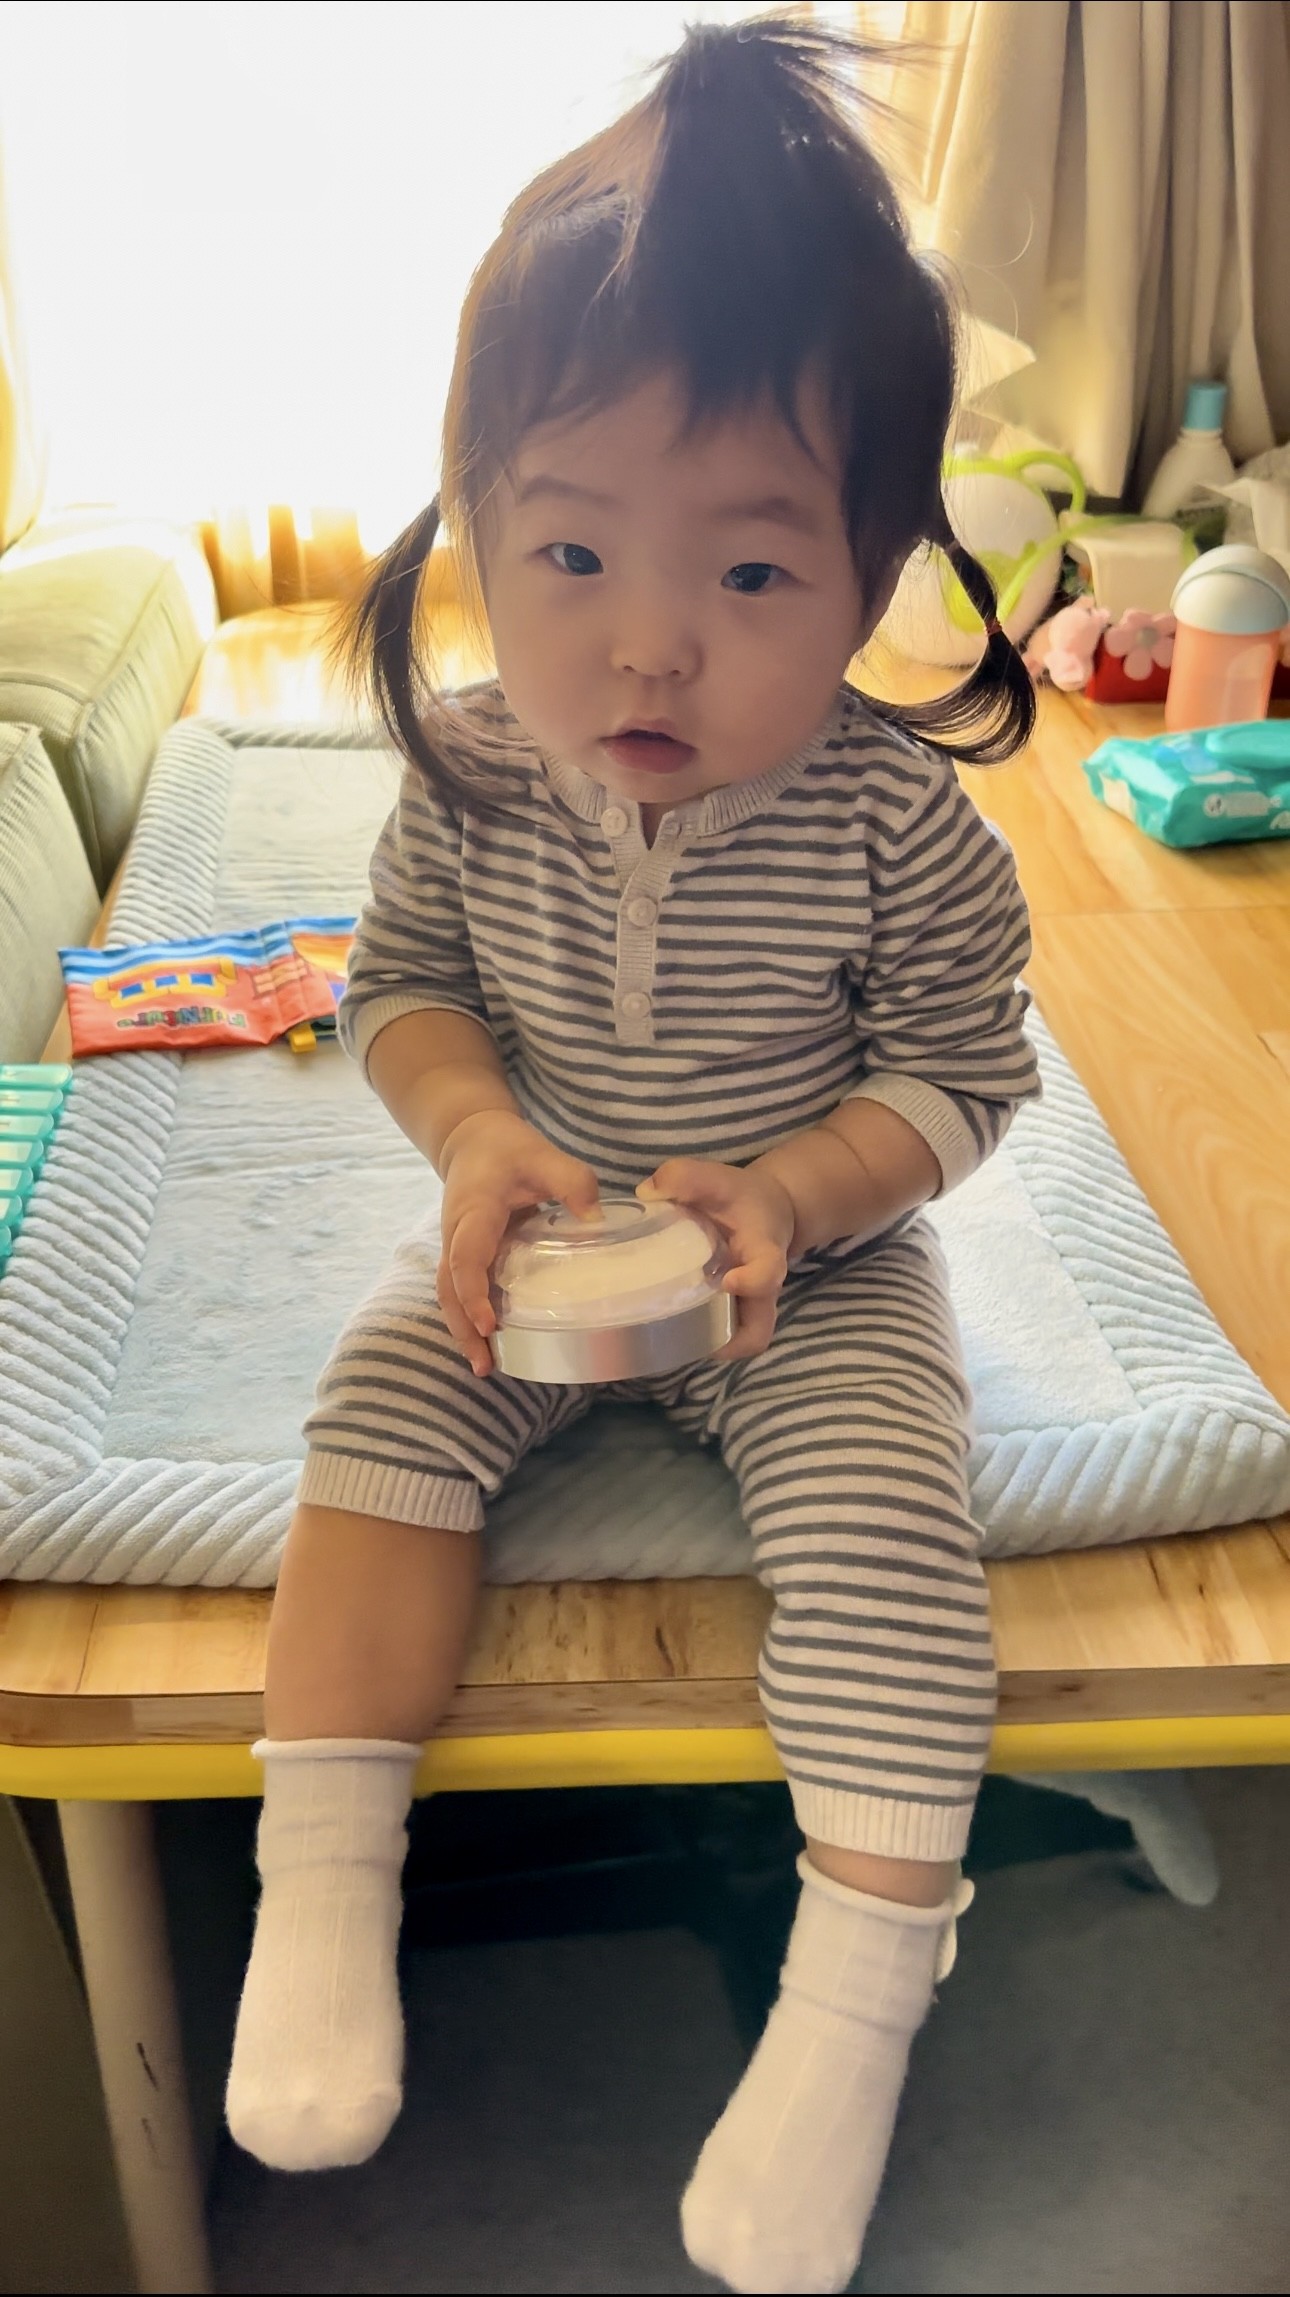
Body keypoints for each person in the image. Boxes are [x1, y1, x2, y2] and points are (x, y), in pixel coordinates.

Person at [225, 16, 1039, 2291]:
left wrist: (794, 1194)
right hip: (544, 1218)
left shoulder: (900, 827)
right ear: (477, 527)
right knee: (374, 1417)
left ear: (875, 571)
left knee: (896, 1523)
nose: (649, 644)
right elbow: (399, 989)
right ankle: (322, 1880)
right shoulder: (474, 774)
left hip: (812, 1270)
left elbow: (961, 1080)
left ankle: (854, 1999)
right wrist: (476, 1136)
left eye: (754, 578)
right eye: (572, 550)